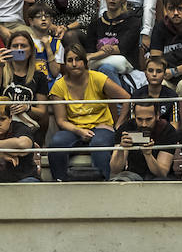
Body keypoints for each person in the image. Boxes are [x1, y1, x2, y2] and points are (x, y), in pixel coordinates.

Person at [47, 42, 129, 180]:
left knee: (99, 144)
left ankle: (103, 183)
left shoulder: (97, 78)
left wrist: (118, 126)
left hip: (101, 126)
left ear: (85, 62)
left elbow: (126, 98)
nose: (74, 64)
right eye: (70, 60)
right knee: (56, 144)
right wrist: (78, 131)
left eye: (78, 59)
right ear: (65, 64)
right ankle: (59, 182)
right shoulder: (59, 86)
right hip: (74, 129)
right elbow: (61, 120)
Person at [110, 97, 176, 179]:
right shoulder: (126, 128)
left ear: (157, 115)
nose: (144, 124)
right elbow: (115, 170)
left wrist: (148, 155)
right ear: (134, 116)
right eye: (139, 119)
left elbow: (162, 173)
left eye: (149, 119)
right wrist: (121, 149)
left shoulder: (166, 130)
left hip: (158, 179)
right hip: (132, 176)